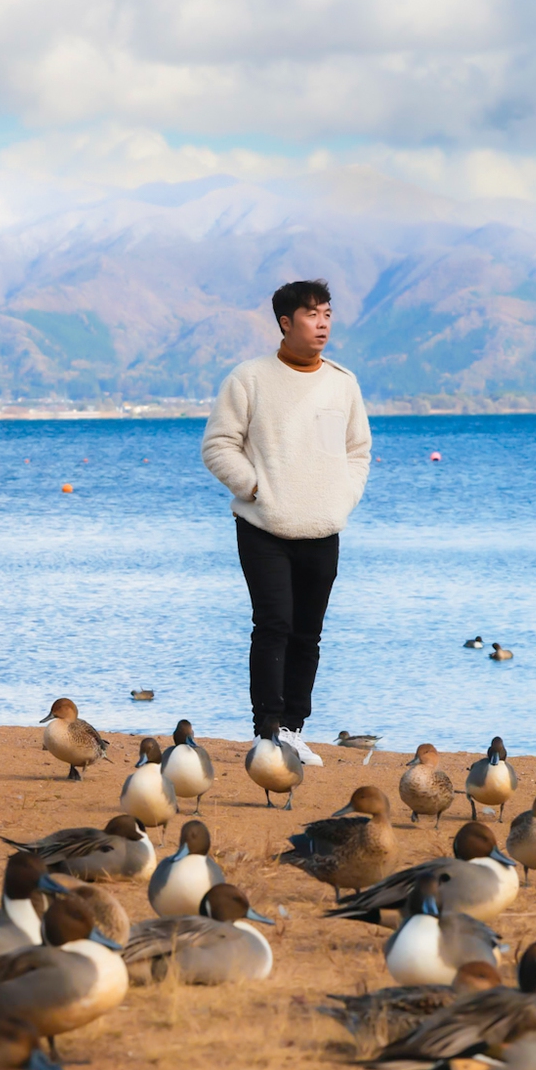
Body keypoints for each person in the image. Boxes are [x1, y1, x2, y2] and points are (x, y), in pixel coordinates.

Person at [201, 279, 372, 765]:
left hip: (323, 528)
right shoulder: (249, 378)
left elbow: (358, 451)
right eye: (312, 315)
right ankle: (266, 731)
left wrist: (343, 499)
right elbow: (218, 445)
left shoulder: (343, 382)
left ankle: (295, 729)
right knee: (273, 624)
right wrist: (255, 489)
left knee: (308, 633)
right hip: (263, 527)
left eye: (328, 314)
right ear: (285, 322)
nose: (322, 324)